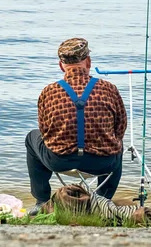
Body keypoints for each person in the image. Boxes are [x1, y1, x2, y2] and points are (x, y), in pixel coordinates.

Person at [25, 37, 127, 215]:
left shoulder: (49, 92)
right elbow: (120, 128)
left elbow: (44, 130)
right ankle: (102, 201)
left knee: (31, 137)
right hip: (102, 163)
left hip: (59, 161)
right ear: (88, 61)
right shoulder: (109, 89)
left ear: (61, 65)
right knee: (117, 144)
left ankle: (41, 201)